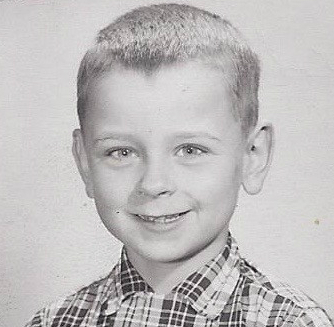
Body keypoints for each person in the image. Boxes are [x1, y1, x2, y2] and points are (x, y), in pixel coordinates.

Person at [25, 3, 333, 327]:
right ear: (85, 162)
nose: (154, 184)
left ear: (253, 155)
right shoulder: (55, 320)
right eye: (121, 153)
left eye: (190, 149)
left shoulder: (294, 321)